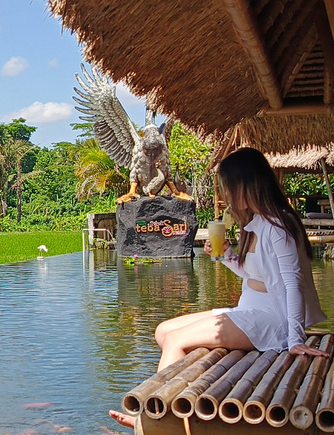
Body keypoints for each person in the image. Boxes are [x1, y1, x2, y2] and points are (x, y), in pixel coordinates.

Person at [110, 147, 328, 429]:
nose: (225, 197)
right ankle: (186, 411)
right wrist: (226, 256)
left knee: (177, 341)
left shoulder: (278, 226)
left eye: (228, 188)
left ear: (245, 186)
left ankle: (151, 422)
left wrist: (295, 339)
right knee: (164, 331)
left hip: (272, 319)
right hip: (252, 310)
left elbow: (292, 284)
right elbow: (253, 277)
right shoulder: (258, 223)